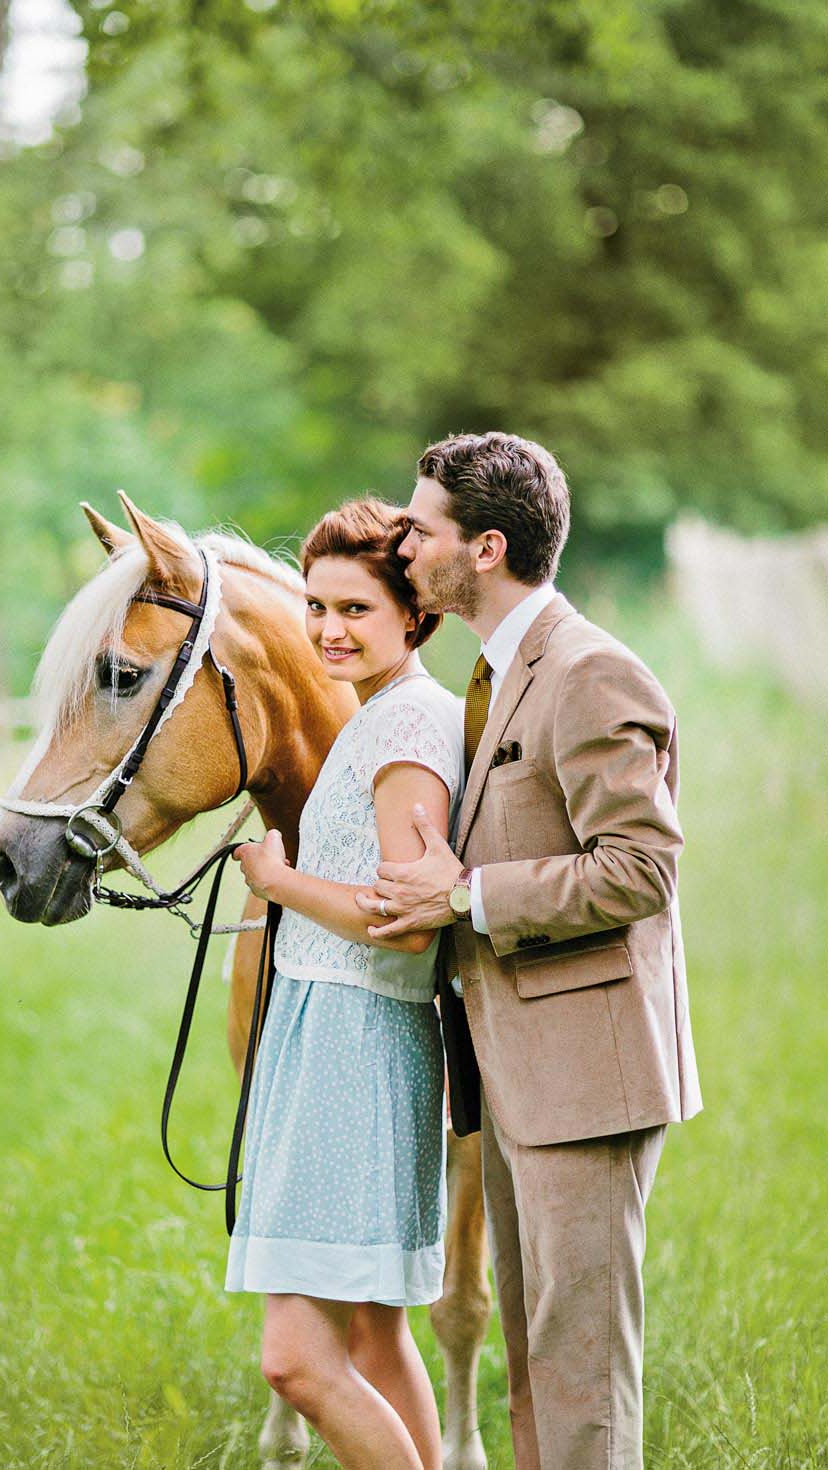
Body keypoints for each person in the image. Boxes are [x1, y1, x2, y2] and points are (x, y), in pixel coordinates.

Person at [356, 433, 702, 1470]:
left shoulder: (589, 672)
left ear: (487, 547)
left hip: (584, 1077)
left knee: (579, 1370)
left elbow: (640, 869)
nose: (400, 547)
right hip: (510, 1076)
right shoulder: (496, 674)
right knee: (533, 1355)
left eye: (418, 529)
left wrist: (465, 892)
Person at [228, 497, 465, 1470]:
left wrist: (279, 883)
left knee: (294, 1360)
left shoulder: (404, 730)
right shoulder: (397, 714)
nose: (327, 630)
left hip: (354, 1048)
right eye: (316, 608)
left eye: (354, 609)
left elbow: (401, 926)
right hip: (338, 1037)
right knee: (374, 1334)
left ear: (414, 616)